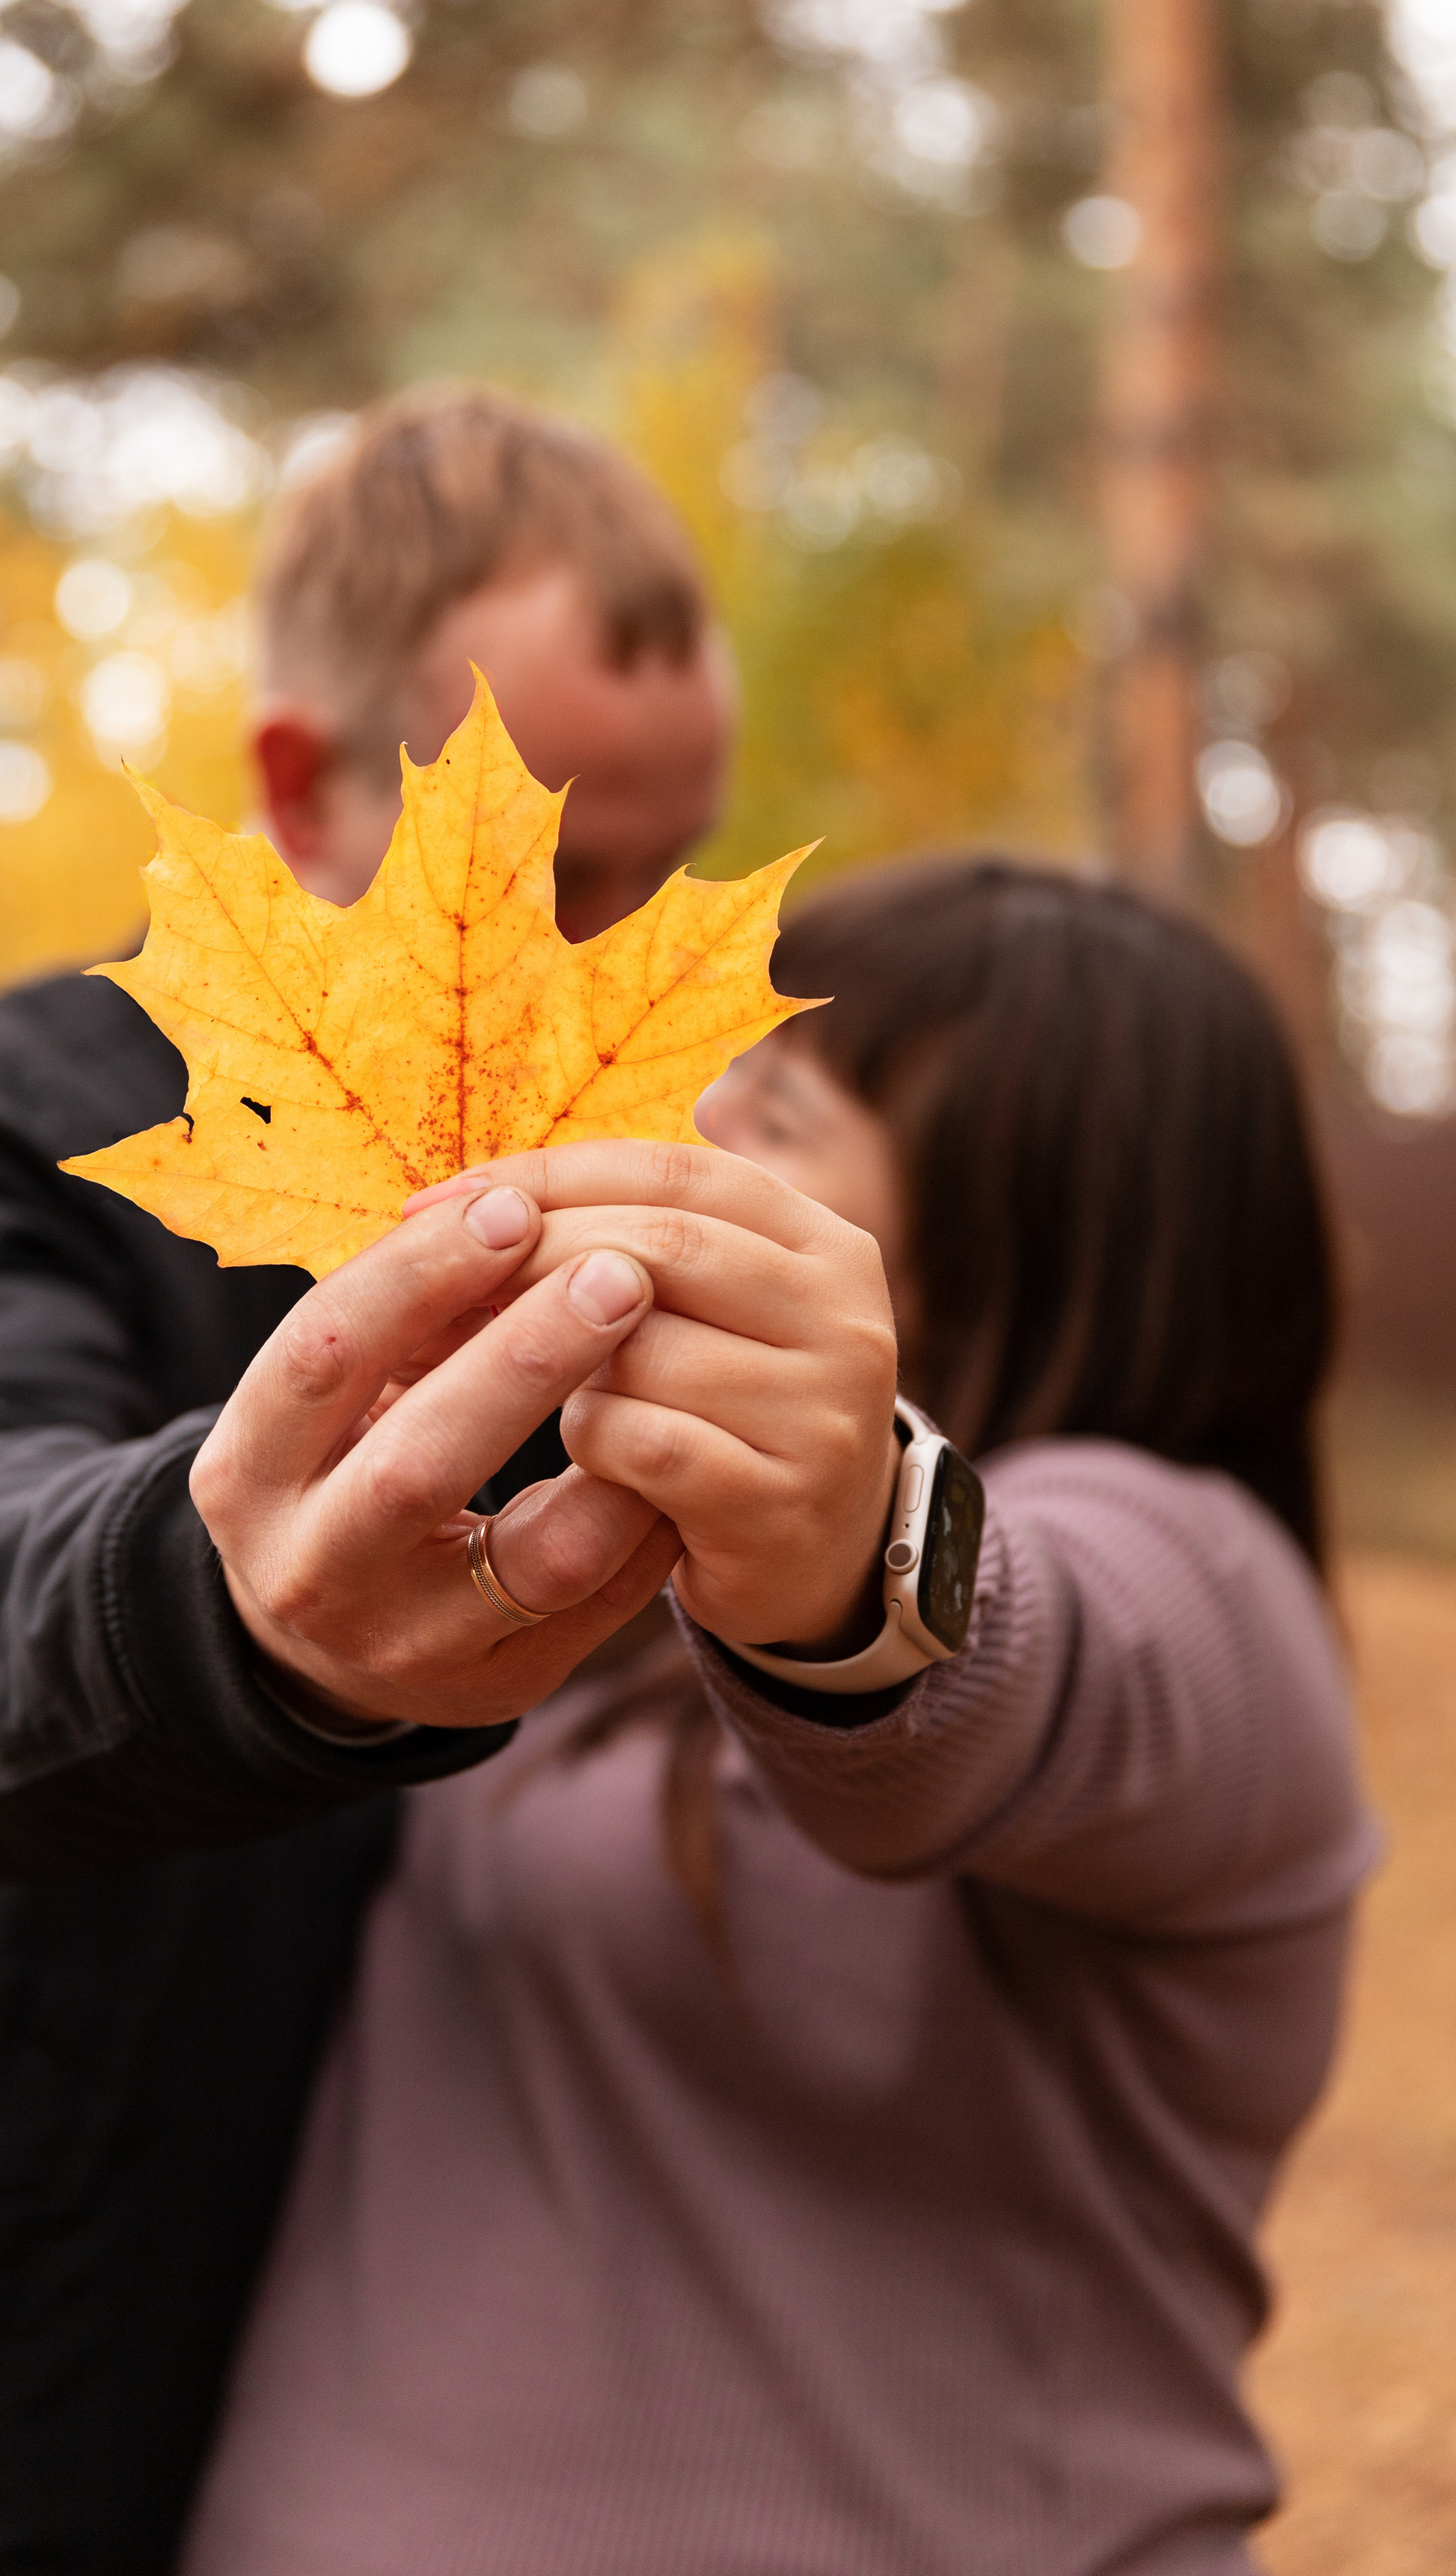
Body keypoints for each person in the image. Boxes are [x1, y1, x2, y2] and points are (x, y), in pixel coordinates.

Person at [0, 384, 736, 2575]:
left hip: (349, 2426)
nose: (621, 967)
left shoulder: (631, 1205)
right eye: (563, 875)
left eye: (670, 878)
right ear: (299, 788)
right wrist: (224, 1610)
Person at [173, 856, 1371, 2576]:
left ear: (1013, 1243)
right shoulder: (582, 1562)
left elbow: (1018, 1666)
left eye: (778, 1108)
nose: (686, 1120)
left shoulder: (1203, 1584)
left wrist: (850, 1558)